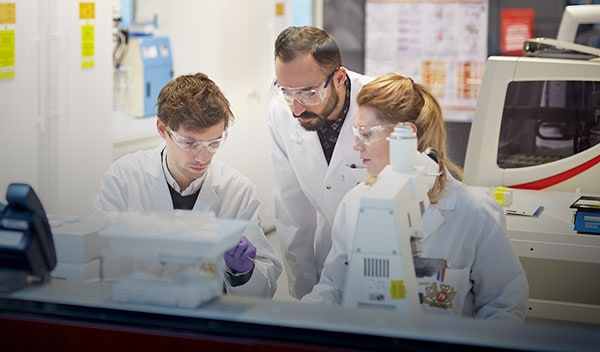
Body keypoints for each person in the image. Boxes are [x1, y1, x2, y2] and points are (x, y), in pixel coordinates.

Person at [302, 73, 529, 321]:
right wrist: (293, 324)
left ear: (406, 136)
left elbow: (504, 308)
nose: (356, 146)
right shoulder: (355, 203)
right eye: (356, 132)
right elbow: (334, 288)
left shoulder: (474, 213)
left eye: (366, 134)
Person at [94, 72, 282, 298]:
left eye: (214, 143)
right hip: (136, 312)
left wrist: (242, 271)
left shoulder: (238, 191)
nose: (203, 157)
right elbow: (96, 260)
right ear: (163, 130)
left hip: (207, 317)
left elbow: (264, 288)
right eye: (190, 143)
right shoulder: (123, 179)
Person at [268, 26, 373, 299]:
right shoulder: (281, 111)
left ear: (339, 78)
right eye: (286, 92)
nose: (297, 108)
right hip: (328, 256)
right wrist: (303, 292)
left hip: (386, 253)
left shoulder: (379, 104)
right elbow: (292, 209)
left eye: (308, 93)